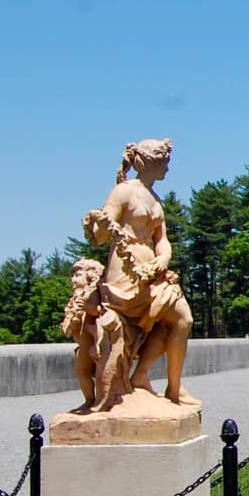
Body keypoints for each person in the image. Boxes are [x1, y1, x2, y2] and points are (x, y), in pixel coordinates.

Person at [81, 139, 195, 404]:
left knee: (182, 319)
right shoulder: (124, 191)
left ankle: (167, 386)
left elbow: (161, 240)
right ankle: (150, 381)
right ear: (150, 163)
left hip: (152, 271)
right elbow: (100, 236)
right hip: (125, 273)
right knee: (176, 319)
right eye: (164, 162)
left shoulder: (155, 199)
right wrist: (97, 225)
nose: (167, 168)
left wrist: (164, 257)